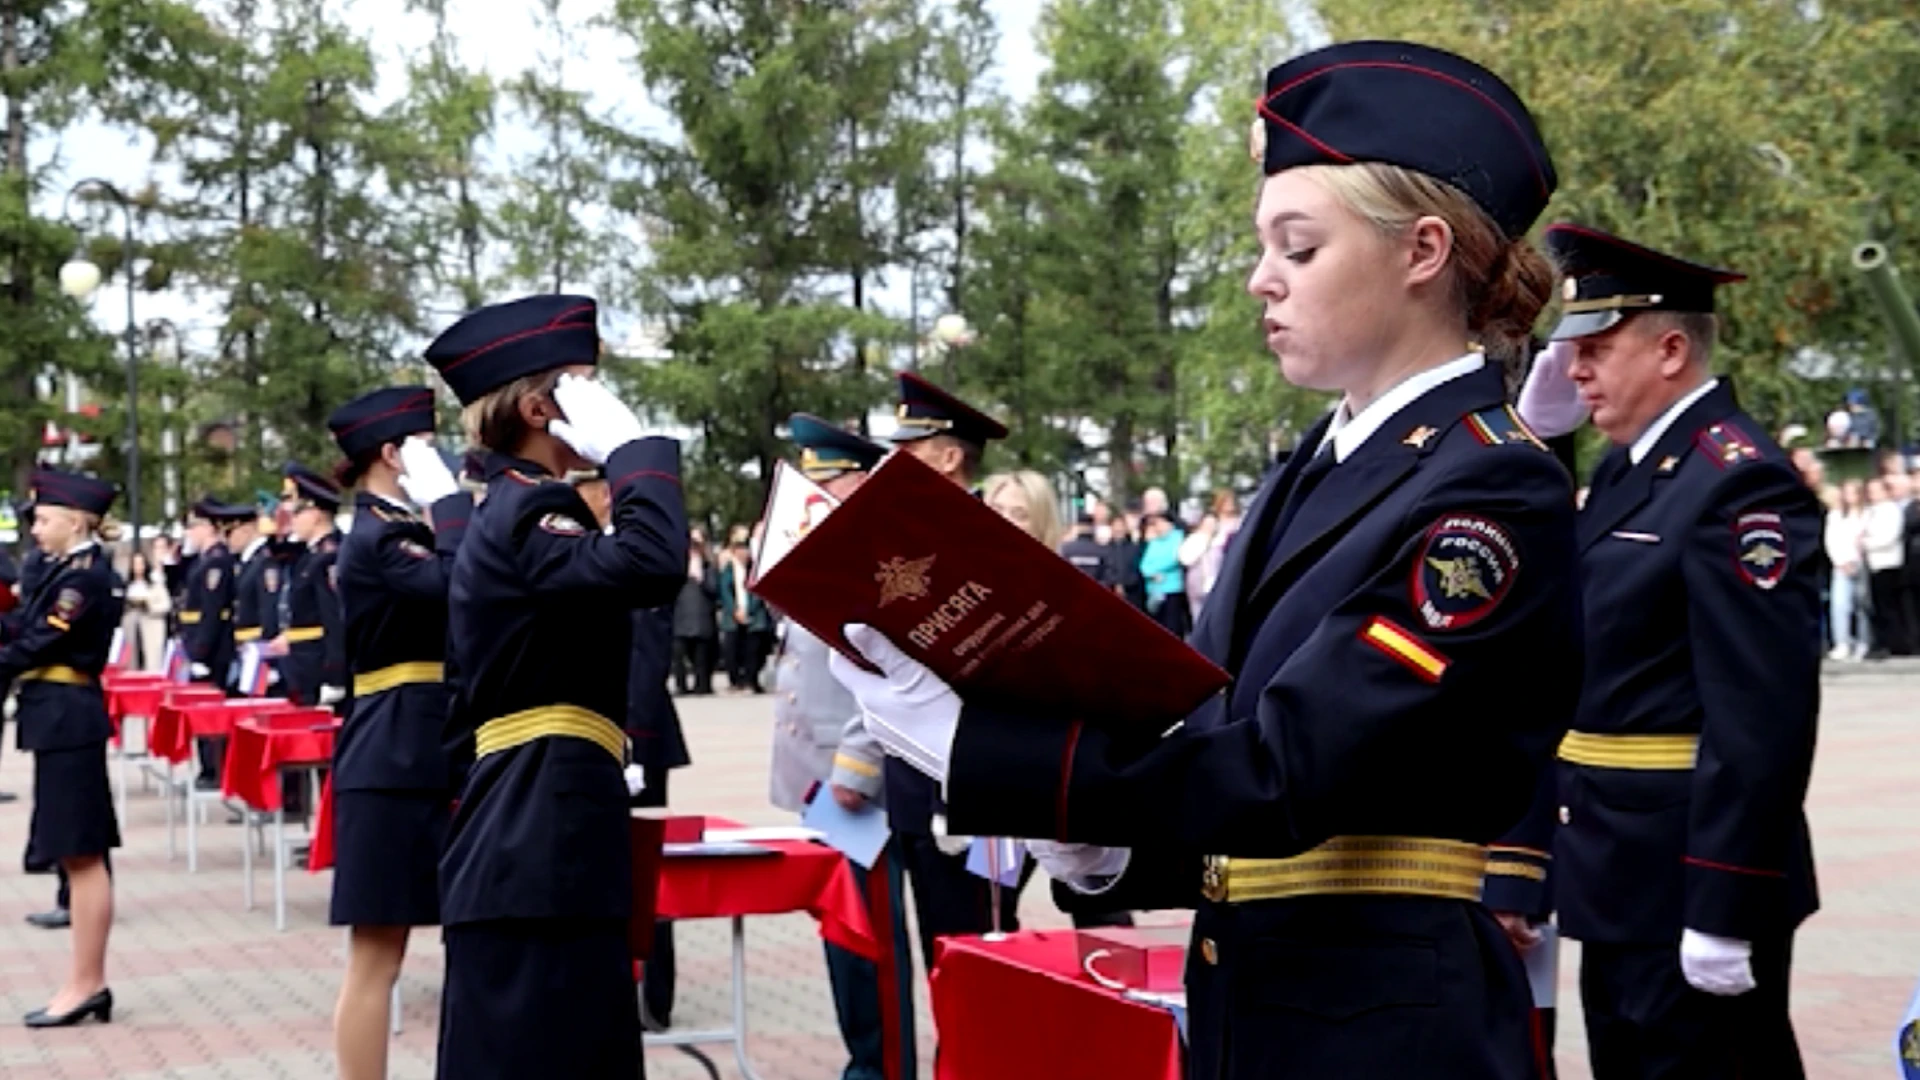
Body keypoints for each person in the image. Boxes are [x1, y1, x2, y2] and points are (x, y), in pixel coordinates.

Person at [832, 41, 1582, 1079]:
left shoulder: (1492, 489)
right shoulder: (1314, 470)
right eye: (1262, 246)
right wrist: (1100, 847)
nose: (1258, 280)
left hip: (1390, 1033)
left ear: (1422, 252)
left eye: (1299, 247)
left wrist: (997, 761)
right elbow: (1210, 731)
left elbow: (1288, 769)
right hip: (1268, 1008)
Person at [1511, 224, 1822, 1079]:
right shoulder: (1630, 468)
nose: (1574, 371)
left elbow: (1759, 719)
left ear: (1672, 348)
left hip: (1689, 873)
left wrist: (1723, 900)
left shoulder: (1737, 483)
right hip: (1616, 870)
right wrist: (1540, 443)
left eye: (1597, 350)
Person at [429, 294, 687, 1080]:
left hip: (526, 829)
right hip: (540, 837)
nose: (599, 401)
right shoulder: (531, 507)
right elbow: (651, 564)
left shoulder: (508, 509)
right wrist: (636, 451)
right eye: (581, 383)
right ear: (543, 407)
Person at [323, 386, 474, 1080]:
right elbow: (462, 582)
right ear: (393, 453)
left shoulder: (396, 529)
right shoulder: (381, 535)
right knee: (378, 953)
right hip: (391, 759)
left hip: (426, 750)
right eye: (424, 443)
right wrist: (451, 507)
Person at [768, 413, 902, 1080]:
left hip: (852, 779)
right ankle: (868, 1061)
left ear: (859, 484)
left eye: (830, 484)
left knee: (869, 938)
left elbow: (880, 676)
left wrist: (857, 764)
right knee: (845, 934)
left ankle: (881, 1067)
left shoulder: (874, 557)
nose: (815, 498)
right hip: (816, 773)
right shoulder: (825, 550)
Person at [879, 371, 1028, 961]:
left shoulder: (986, 542)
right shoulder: (906, 536)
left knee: (981, 956)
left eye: (907, 450)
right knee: (941, 957)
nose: (894, 461)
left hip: (975, 785)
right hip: (916, 783)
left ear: (946, 458)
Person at [0, 469, 127, 1026]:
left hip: (69, 717)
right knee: (74, 851)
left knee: (81, 852)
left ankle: (86, 983)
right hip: (57, 718)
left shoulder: (85, 578)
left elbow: (40, 639)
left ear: (75, 520)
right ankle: (83, 981)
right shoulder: (61, 569)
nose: (36, 527)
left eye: (45, 518)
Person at [571, 470, 694, 1031]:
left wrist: (636, 748)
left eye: (580, 487)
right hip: (604, 737)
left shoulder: (629, 552)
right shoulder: (593, 549)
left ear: (602, 491)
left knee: (643, 872)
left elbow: (645, 660)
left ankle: (653, 997)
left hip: (635, 740)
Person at [271, 465, 347, 711]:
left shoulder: (328, 557)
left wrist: (335, 676)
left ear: (315, 514)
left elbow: (335, 620)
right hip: (303, 666)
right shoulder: (309, 556)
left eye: (296, 514)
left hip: (319, 668)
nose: (291, 520)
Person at [178, 499, 237, 789]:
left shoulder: (217, 561)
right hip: (195, 639)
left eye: (193, 526)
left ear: (208, 527)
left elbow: (213, 610)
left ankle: (214, 768)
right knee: (200, 708)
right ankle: (208, 766)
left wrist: (201, 652)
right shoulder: (202, 560)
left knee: (210, 711)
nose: (188, 532)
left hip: (211, 648)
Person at [671, 530, 719, 695]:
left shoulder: (708, 567)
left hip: (701, 617)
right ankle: (681, 685)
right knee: (678, 656)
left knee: (701, 656)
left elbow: (714, 590)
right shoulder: (677, 565)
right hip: (680, 617)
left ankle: (702, 685)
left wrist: (701, 577)